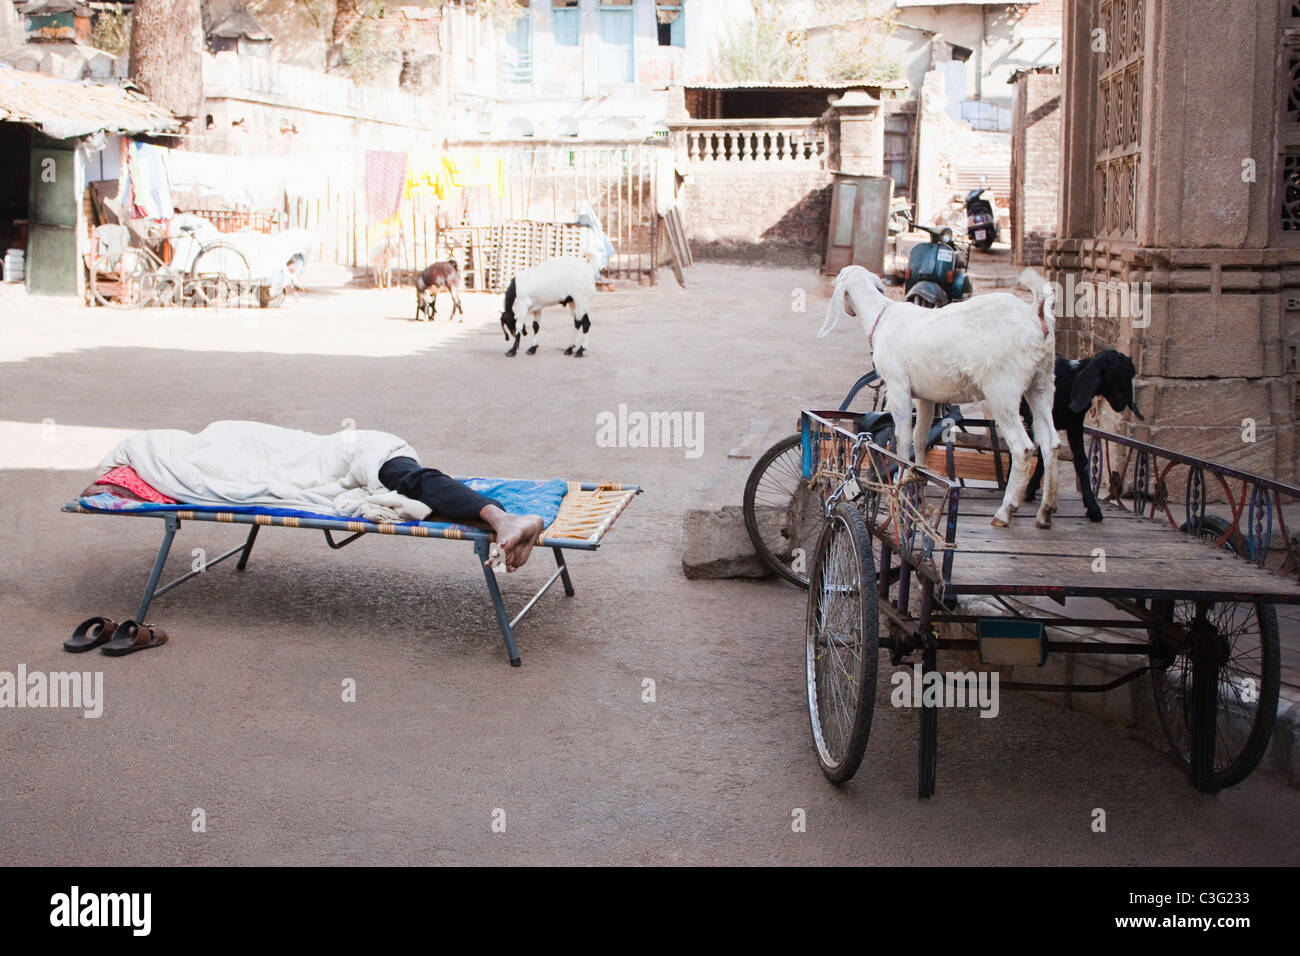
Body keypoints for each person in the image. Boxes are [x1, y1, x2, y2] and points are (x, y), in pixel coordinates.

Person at [377, 457, 544, 571]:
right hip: (370, 472)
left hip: (379, 457)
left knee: (412, 480)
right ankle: (504, 527)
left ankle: (503, 519)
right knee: (418, 506)